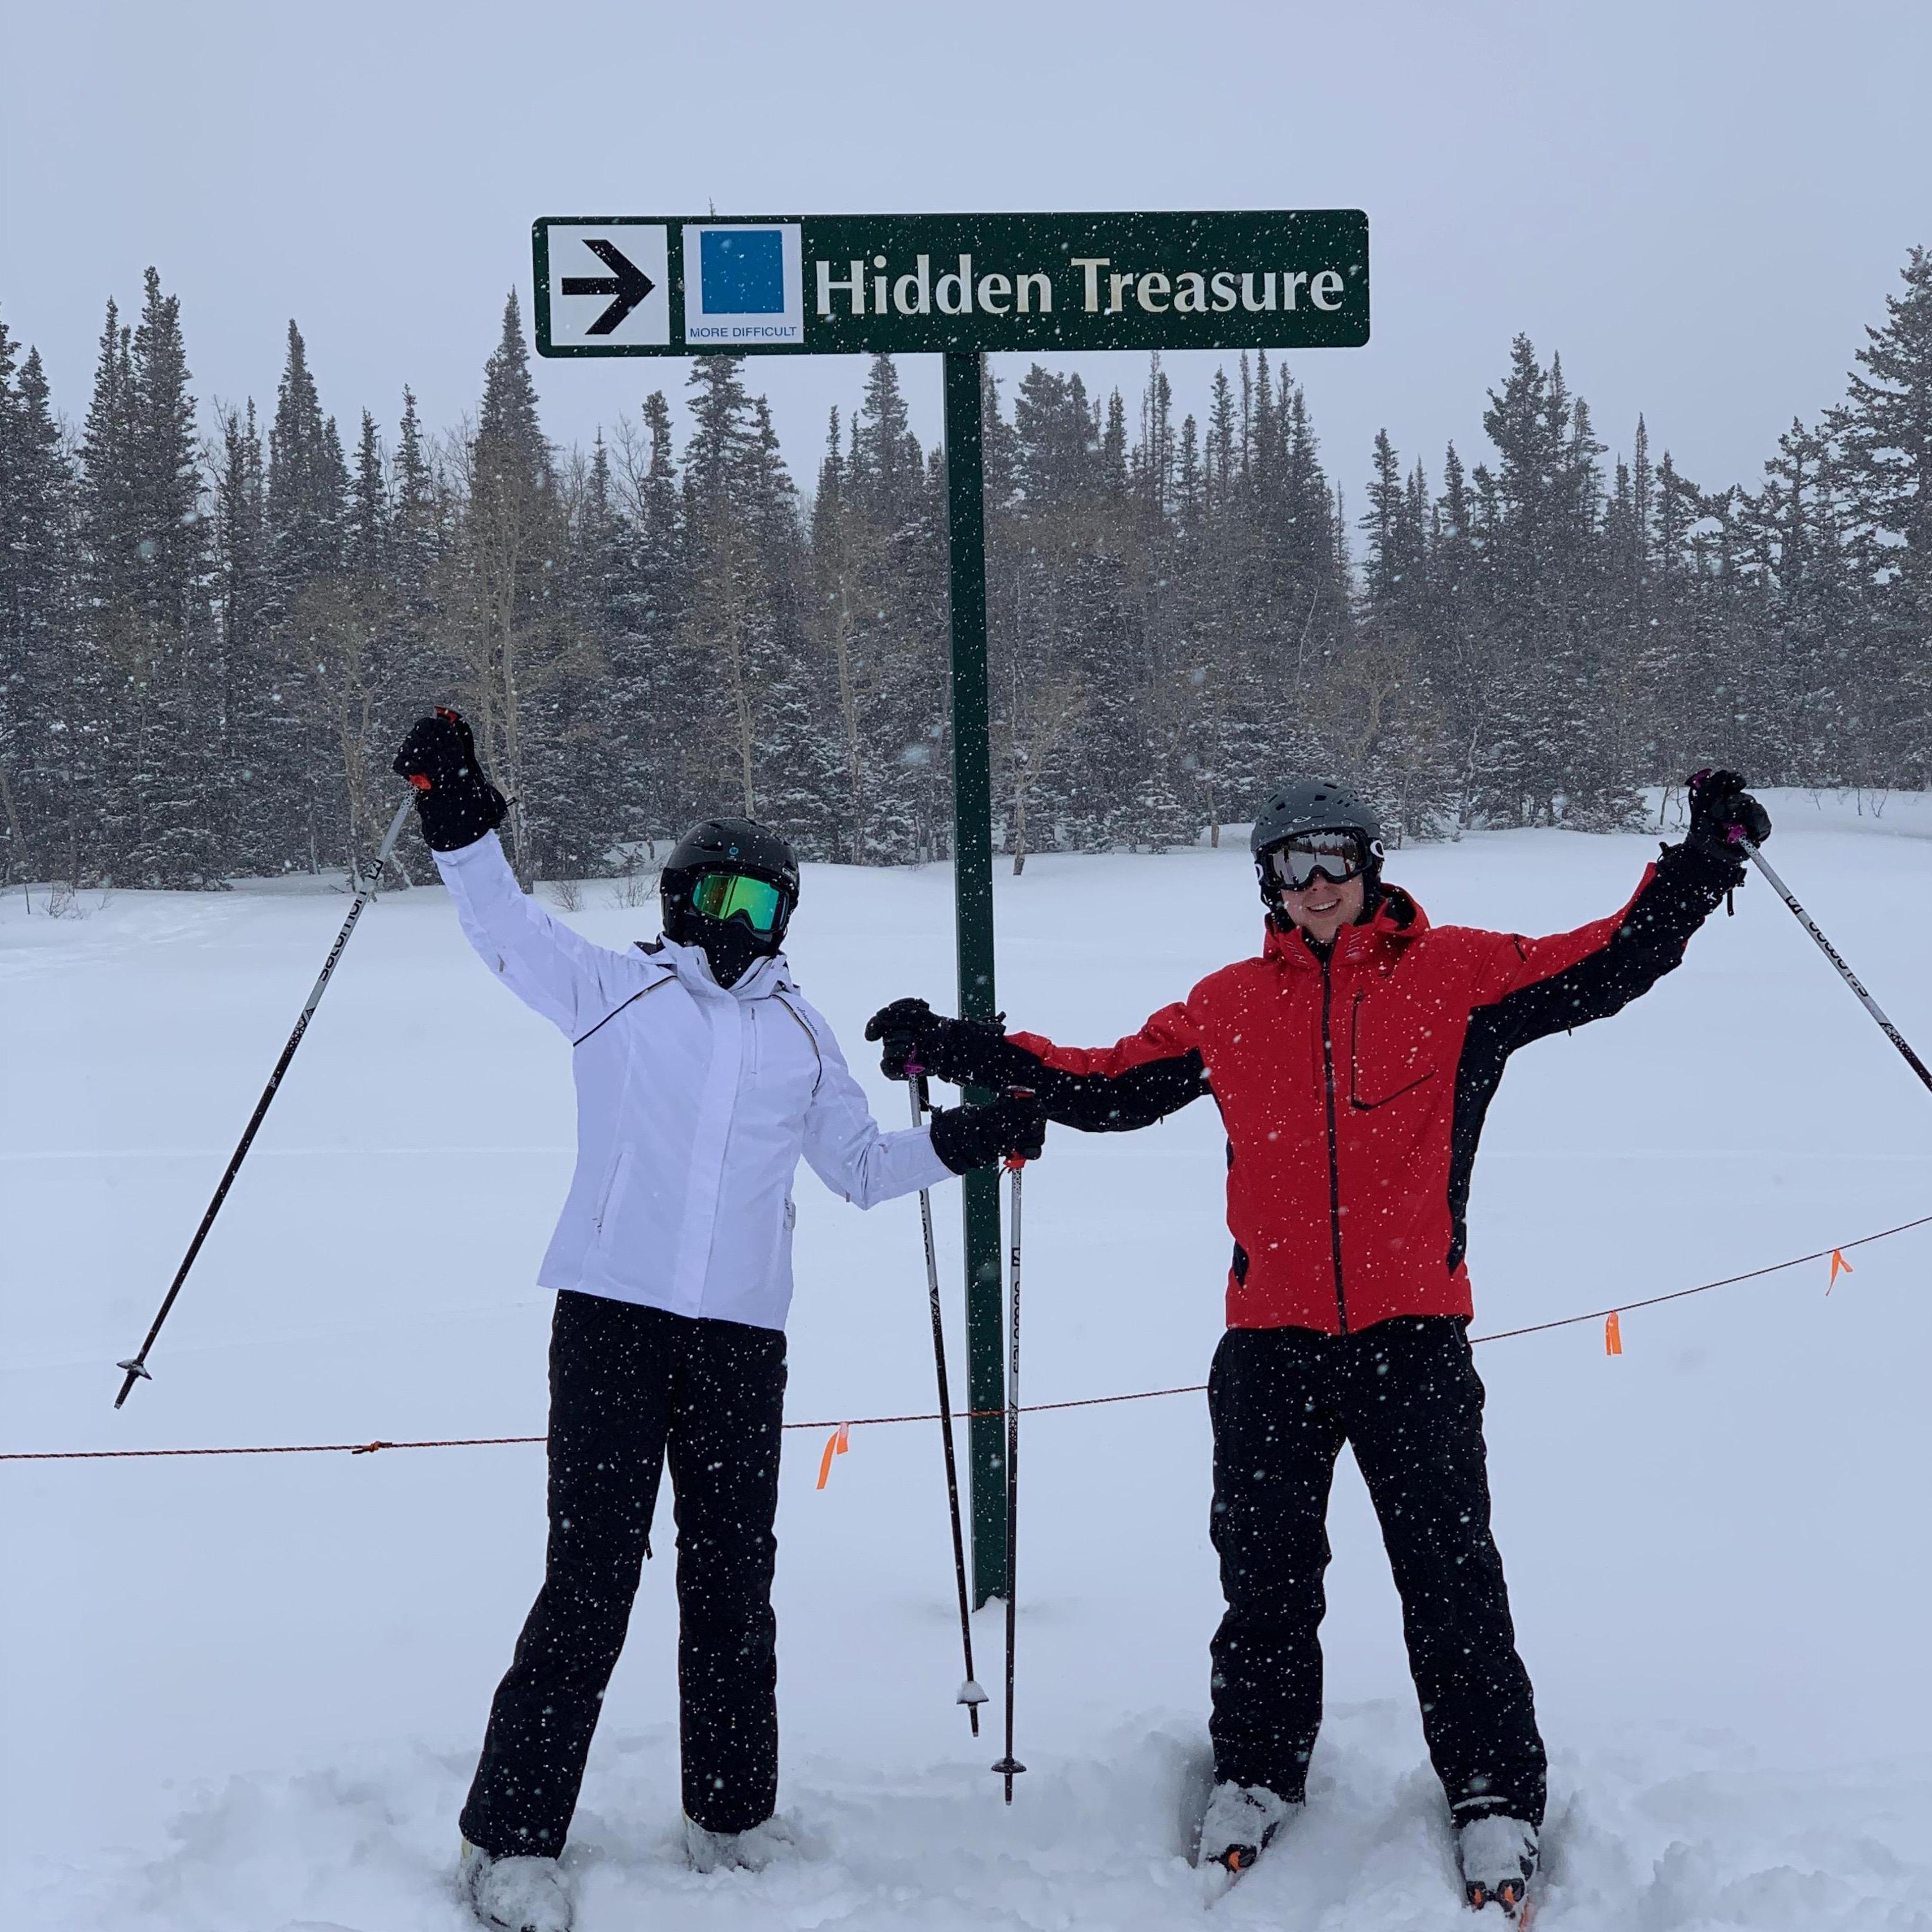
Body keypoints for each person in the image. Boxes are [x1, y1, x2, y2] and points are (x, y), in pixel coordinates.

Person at [865, 768, 1771, 1921]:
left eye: (1336, 859)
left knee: (1450, 1580)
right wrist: (963, 1048)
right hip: (1272, 1346)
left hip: (1415, 1340)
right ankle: (1254, 1772)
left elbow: (1608, 962)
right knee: (1264, 1583)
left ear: (1372, 865)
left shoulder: (1458, 979)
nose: (1319, 885)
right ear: (1268, 884)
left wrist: (1699, 866)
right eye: (1294, 866)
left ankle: (1492, 1790)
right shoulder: (1232, 1003)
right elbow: (1106, 1086)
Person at [393, 710, 1045, 1932]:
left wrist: (963, 1139)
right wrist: (458, 811)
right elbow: (502, 929)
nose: (747, 929)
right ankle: (513, 1838)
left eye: (770, 909)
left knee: (734, 1586)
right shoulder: (614, 992)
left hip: (743, 1344)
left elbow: (855, 1166)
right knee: (590, 1581)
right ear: (683, 899)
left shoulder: (800, 1034)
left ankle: (731, 1815)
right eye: (728, 900)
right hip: (610, 1324)